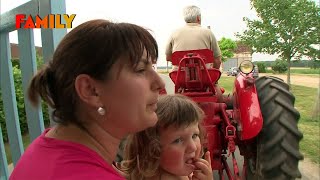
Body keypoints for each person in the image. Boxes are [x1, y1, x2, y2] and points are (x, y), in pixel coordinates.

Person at [10, 19, 165, 179]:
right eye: (140, 69)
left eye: (152, 67)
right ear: (91, 91)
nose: (160, 83)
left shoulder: (48, 147)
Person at [120, 94, 213, 180]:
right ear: (152, 150)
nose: (193, 147)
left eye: (194, 135)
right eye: (178, 140)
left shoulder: (174, 171)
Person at [165, 5, 222, 71]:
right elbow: (217, 61)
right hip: (205, 77)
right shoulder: (208, 33)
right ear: (198, 18)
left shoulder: (174, 33)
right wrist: (213, 75)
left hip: (180, 78)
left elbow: (168, 58)